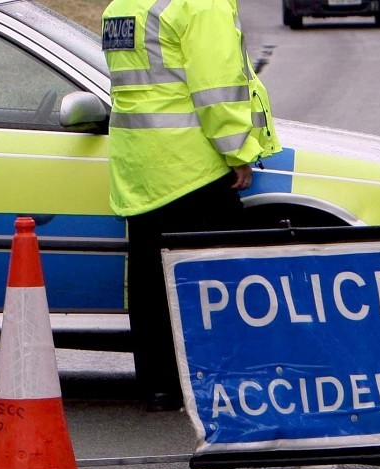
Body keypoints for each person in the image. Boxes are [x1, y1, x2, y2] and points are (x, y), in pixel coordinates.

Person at [102, 0, 281, 411]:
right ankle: (229, 383)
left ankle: (161, 387)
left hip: (142, 167)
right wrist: (237, 150)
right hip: (193, 165)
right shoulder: (200, 4)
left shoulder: (124, 4)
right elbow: (216, 88)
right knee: (219, 283)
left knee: (150, 282)